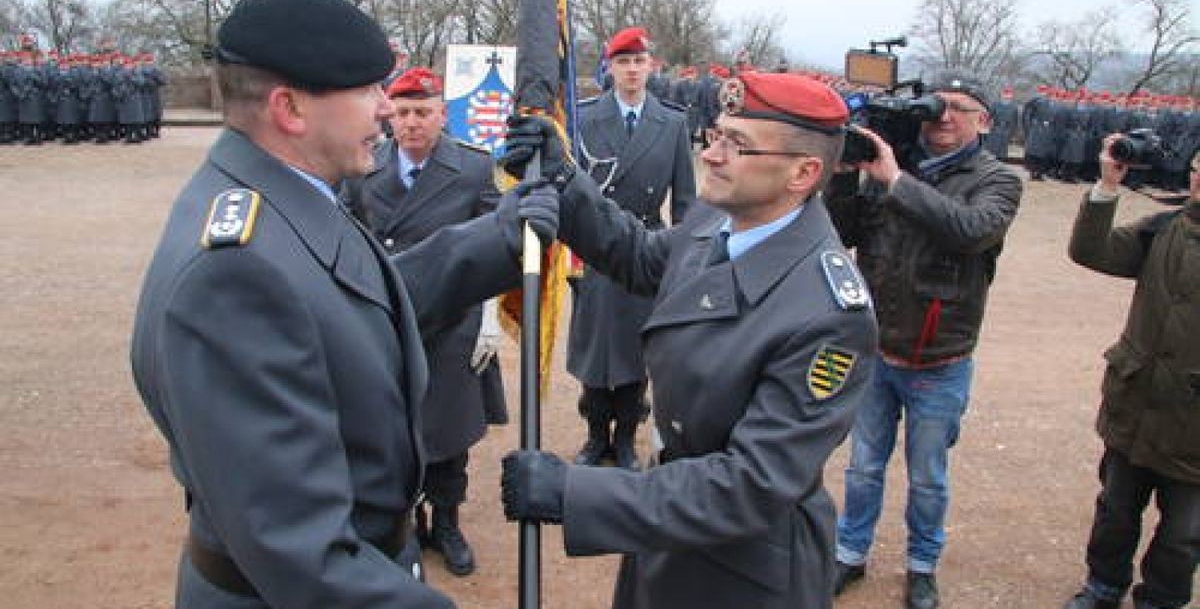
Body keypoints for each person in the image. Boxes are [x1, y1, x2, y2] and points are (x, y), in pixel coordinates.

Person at [129, 0, 556, 609]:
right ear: (291, 109)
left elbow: (355, 304)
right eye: (367, 91)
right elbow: (303, 553)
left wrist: (500, 233)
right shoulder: (235, 273)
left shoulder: (287, 194)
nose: (388, 109)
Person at [499, 71, 879, 608]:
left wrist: (572, 492)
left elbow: (753, 483)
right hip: (668, 524)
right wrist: (564, 178)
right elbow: (638, 255)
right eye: (716, 134)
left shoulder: (828, 311)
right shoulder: (719, 220)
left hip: (742, 568)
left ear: (804, 172)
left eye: (737, 144)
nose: (714, 155)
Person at [825, 71, 1024, 609]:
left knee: (929, 477)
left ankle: (922, 565)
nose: (944, 116)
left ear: (983, 121)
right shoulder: (897, 165)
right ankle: (849, 552)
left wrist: (894, 181)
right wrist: (845, 175)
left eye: (960, 108)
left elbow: (968, 229)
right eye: (939, 105)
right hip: (877, 348)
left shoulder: (998, 179)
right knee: (864, 465)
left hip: (939, 358)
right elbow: (842, 233)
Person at [341, 66, 504, 578]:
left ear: (442, 115)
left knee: (448, 435)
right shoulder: (364, 167)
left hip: (452, 324)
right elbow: (343, 236)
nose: (411, 124)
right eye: (403, 113)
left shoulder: (473, 170)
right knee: (394, 431)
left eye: (423, 113)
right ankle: (406, 523)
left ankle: (448, 523)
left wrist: (490, 319)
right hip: (387, 320)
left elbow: (499, 241)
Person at [1060, 140, 1200, 609]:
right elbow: (1091, 250)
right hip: (1135, 406)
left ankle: (1160, 600)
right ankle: (1103, 587)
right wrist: (1107, 185)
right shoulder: (1165, 228)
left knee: (1183, 533)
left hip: (1194, 426)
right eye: (1199, 169)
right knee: (1116, 511)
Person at [569, 26, 696, 470]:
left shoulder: (674, 122)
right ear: (610, 67)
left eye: (639, 62)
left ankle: (624, 439)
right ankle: (593, 436)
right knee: (594, 352)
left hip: (646, 249)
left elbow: (684, 199)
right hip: (599, 246)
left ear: (651, 67)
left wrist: (687, 258)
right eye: (623, 62)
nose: (631, 70)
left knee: (635, 351)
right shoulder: (584, 116)